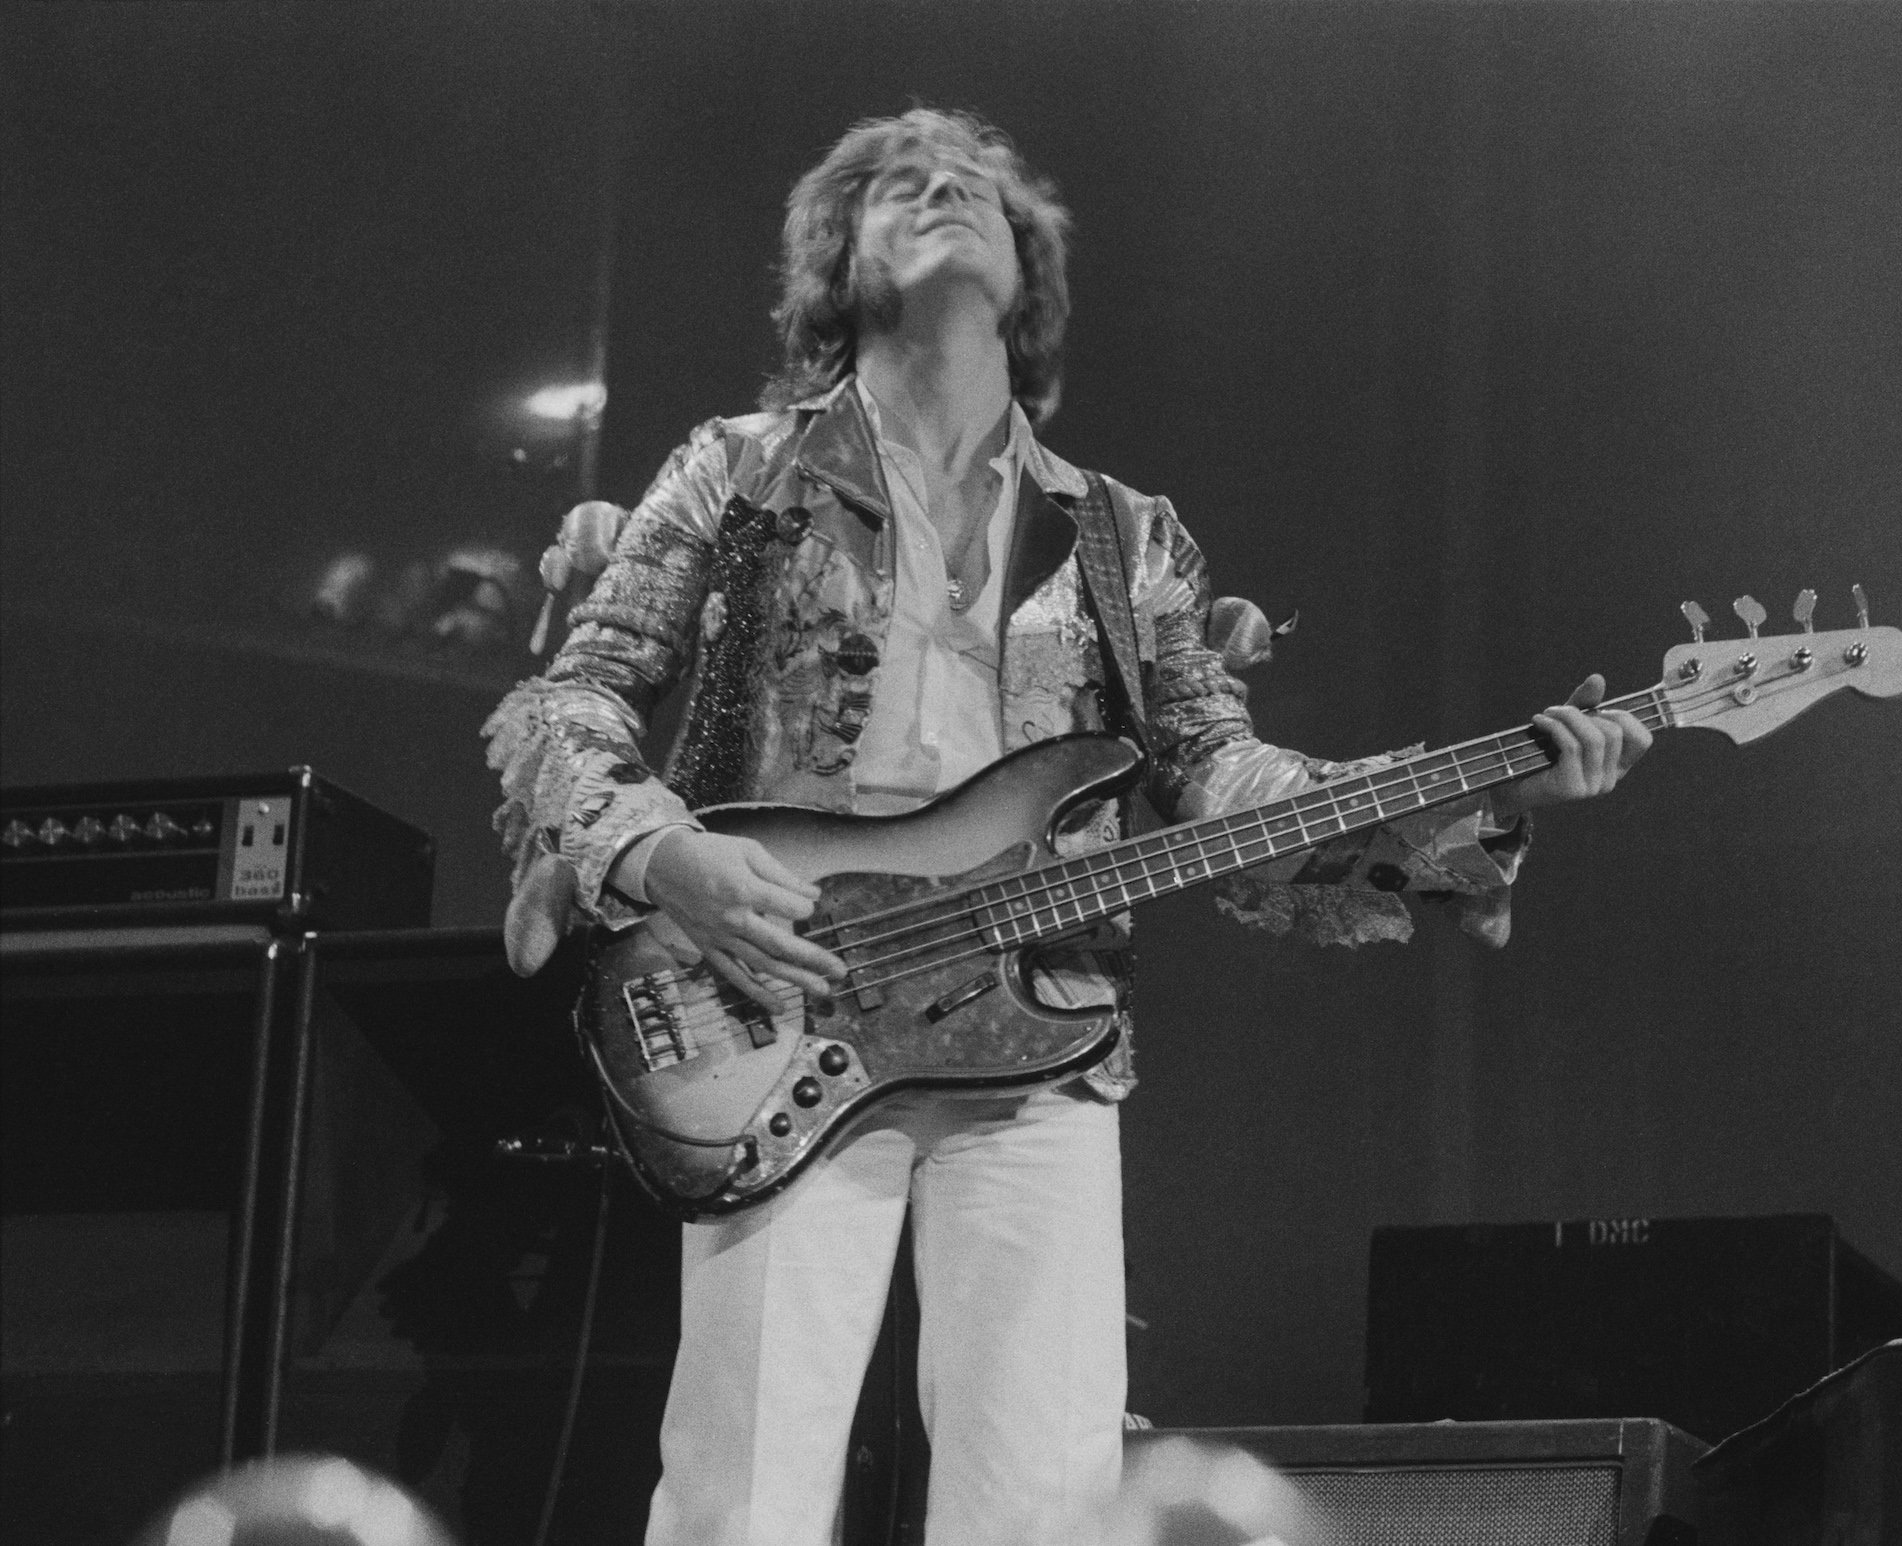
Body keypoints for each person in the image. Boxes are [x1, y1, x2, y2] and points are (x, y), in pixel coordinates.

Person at [483, 108, 1650, 1546]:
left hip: (1038, 1030)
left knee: (1044, 1497)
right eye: (897, 185)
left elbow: (1224, 780)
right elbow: (567, 702)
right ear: (835, 267)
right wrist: (667, 857)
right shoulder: (735, 472)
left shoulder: (1121, 534)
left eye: (970, 184)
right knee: (743, 1490)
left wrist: (1486, 787)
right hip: (767, 992)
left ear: (1026, 277)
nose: (937, 189)